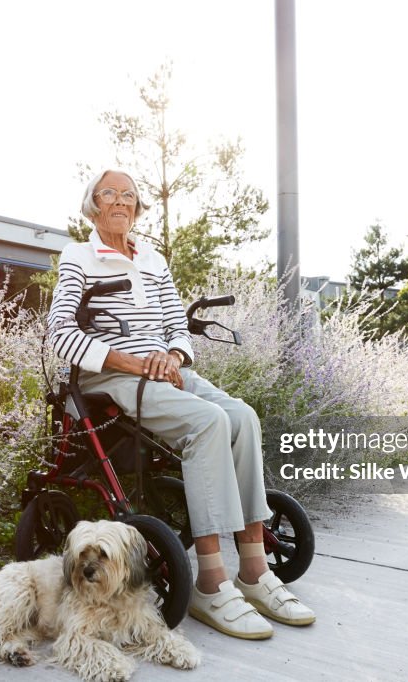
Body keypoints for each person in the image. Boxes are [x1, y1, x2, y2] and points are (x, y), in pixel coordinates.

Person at [48, 170, 314, 640]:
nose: (120, 201)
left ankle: (254, 571)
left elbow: (175, 325)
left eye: (129, 195)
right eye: (109, 193)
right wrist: (136, 363)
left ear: (137, 207)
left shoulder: (153, 260)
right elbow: (61, 334)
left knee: (243, 417)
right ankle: (210, 582)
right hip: (113, 375)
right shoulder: (78, 256)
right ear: (92, 205)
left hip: (165, 371)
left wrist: (172, 356)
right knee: (208, 422)